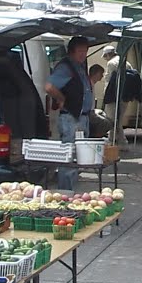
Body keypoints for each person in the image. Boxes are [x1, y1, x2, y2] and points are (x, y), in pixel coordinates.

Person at [45, 36, 95, 190]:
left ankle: (71, 190)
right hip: (71, 119)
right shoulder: (66, 67)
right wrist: (62, 98)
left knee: (76, 157)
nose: (83, 54)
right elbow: (49, 86)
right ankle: (65, 191)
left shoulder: (79, 66)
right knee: (69, 157)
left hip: (81, 118)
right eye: (80, 51)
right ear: (72, 51)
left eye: (85, 51)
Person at [103, 56, 142, 147]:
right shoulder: (127, 62)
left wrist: (106, 95)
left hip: (113, 96)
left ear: (108, 55)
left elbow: (108, 81)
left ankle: (118, 142)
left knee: (111, 119)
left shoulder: (111, 63)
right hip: (125, 96)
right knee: (118, 120)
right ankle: (116, 141)